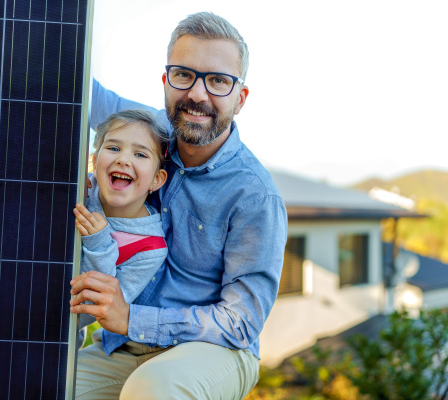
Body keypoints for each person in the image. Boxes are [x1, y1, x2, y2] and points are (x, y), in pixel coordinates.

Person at [70, 11, 288, 399]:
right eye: (184, 75)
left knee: (153, 389)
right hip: (124, 346)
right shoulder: (145, 135)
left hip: (215, 352)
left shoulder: (255, 196)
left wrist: (131, 317)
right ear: (166, 81)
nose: (198, 94)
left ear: (240, 99)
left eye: (218, 80)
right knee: (34, 378)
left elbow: (240, 322)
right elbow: (78, 86)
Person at [73, 110, 169, 348]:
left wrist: (99, 244)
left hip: (57, 333)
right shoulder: (80, 191)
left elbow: (100, 307)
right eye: (114, 148)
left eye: (140, 154)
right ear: (95, 162)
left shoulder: (149, 246)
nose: (124, 160)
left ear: (156, 179)